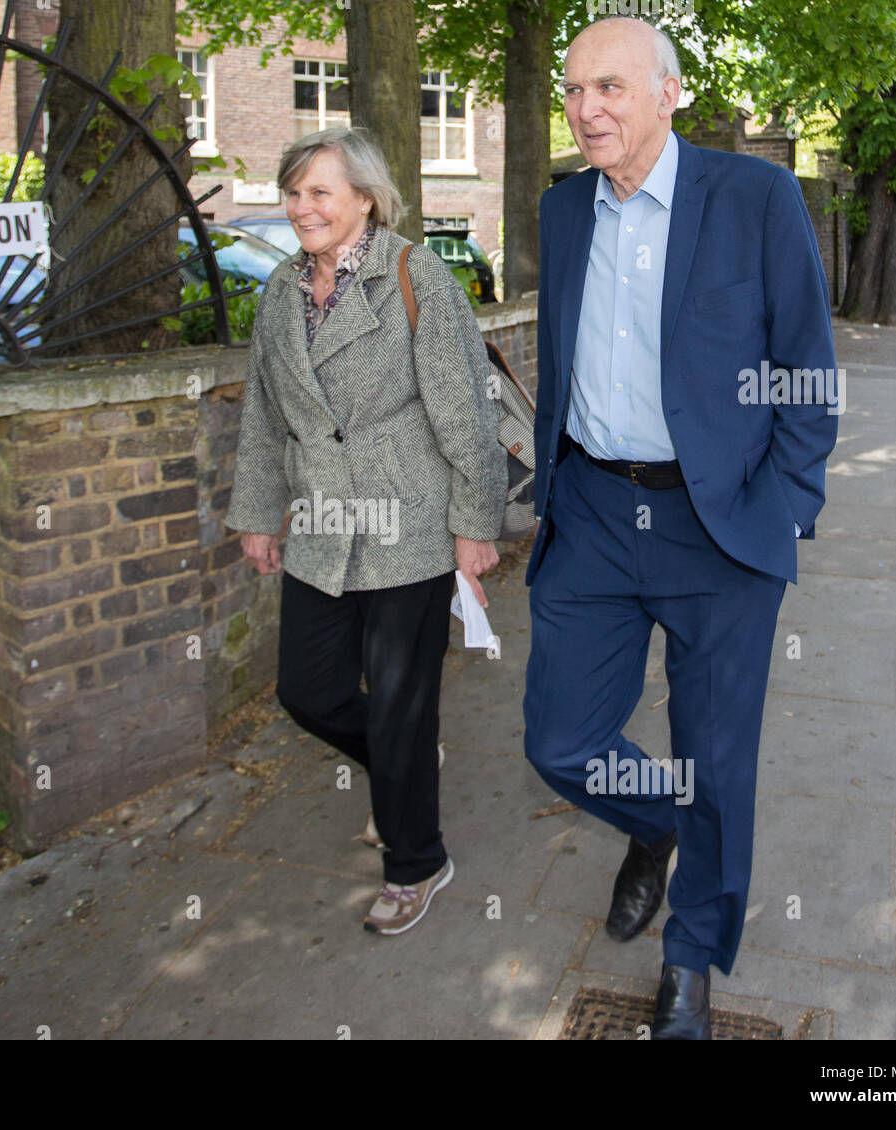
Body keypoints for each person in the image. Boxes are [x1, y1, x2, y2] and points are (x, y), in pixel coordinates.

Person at [524, 17, 838, 1038]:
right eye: (573, 90)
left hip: (722, 524)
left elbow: (802, 365)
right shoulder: (562, 208)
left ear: (667, 92)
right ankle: (654, 824)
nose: (586, 109)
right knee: (560, 738)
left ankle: (692, 956)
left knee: (717, 759)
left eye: (609, 87)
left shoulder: (754, 196)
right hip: (595, 514)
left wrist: (786, 506)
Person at [226, 127, 508, 935]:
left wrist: (474, 525)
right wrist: (256, 512)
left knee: (399, 705)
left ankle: (416, 861)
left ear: (365, 199)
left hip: (407, 524)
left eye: (319, 191)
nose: (301, 207)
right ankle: (402, 776)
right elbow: (263, 414)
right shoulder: (280, 289)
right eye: (293, 191)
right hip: (321, 525)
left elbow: (464, 414)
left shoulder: (416, 276)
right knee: (307, 692)